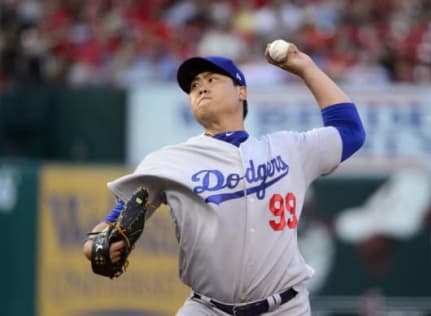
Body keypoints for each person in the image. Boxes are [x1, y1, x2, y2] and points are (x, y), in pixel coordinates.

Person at [82, 40, 366, 315]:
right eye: (193, 86)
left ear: (241, 91)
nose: (200, 87)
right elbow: (117, 219)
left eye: (212, 79)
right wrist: (96, 242)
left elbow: (350, 131)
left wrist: (306, 68)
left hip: (284, 307)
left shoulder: (288, 148)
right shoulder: (168, 161)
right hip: (207, 309)